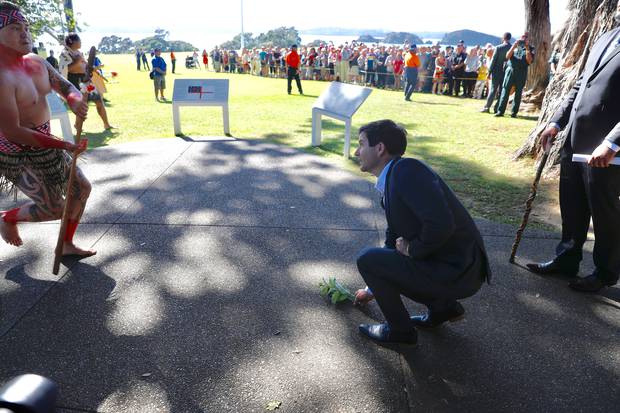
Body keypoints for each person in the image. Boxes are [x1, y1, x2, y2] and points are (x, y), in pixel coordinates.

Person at [353, 120, 491, 344]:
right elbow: (393, 239)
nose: (357, 151)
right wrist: (371, 289)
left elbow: (442, 223)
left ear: (380, 148)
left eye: (361, 144)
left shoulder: (407, 171)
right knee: (379, 260)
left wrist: (412, 249)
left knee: (366, 259)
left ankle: (400, 331)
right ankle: (443, 309)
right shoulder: (394, 178)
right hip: (452, 267)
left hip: (460, 271)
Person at [526, 6, 620, 293]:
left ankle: (605, 272)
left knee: (605, 213)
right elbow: (580, 84)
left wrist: (613, 142)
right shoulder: (606, 37)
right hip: (575, 140)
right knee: (573, 203)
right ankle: (566, 257)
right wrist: (555, 122)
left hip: (607, 149)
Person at [0, 1, 95, 257]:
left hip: (45, 144)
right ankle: (7, 217)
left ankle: (65, 244)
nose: (25, 33)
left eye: (27, 27)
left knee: (81, 189)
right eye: (15, 27)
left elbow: (66, 87)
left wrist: (76, 103)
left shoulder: (37, 62)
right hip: (16, 153)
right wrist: (64, 144)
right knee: (53, 208)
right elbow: (13, 132)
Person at [59, 33, 112, 130]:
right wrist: (77, 61)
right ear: (73, 41)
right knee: (81, 105)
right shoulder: (65, 54)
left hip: (86, 79)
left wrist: (90, 67)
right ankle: (77, 125)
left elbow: (84, 65)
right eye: (79, 40)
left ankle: (106, 124)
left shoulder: (78, 53)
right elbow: (66, 70)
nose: (81, 42)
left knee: (99, 101)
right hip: (76, 81)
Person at [495, 32, 535, 118]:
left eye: (526, 38)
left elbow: (529, 61)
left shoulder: (531, 48)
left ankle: (514, 113)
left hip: (521, 72)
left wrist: (527, 48)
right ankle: (500, 111)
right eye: (522, 37)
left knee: (518, 93)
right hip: (510, 70)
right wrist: (514, 46)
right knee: (505, 91)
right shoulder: (514, 46)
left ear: (528, 39)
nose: (524, 39)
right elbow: (507, 56)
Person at [481, 32, 512, 113]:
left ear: (503, 38)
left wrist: (489, 72)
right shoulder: (512, 48)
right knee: (503, 91)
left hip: (496, 71)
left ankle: (487, 107)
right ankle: (497, 108)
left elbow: (493, 61)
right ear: (510, 38)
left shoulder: (498, 48)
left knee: (493, 90)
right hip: (506, 72)